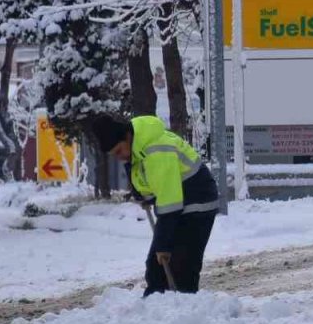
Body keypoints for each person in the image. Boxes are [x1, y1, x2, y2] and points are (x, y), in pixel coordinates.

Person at [90, 114, 219, 296]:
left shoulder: (156, 151)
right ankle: (153, 310)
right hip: (177, 202)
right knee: (155, 268)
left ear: (127, 137)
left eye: (119, 152)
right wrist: (144, 195)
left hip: (198, 203)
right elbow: (150, 182)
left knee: (181, 267)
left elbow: (169, 203)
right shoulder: (138, 147)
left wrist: (163, 246)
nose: (119, 158)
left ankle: (186, 310)